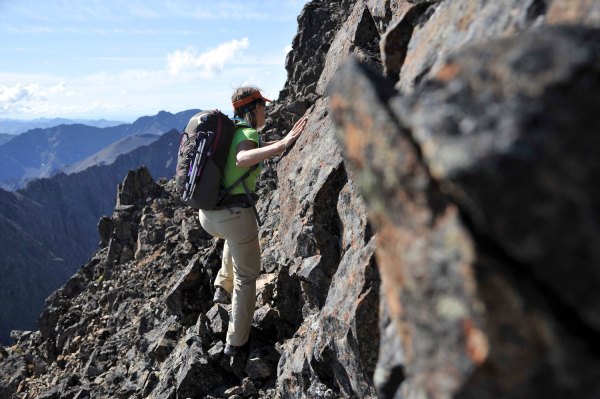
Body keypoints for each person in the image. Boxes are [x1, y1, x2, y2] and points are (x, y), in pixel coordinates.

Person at [198, 86, 307, 356]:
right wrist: (283, 145)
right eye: (263, 105)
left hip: (208, 216)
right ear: (253, 107)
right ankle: (237, 343)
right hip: (234, 216)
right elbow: (243, 157)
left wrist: (279, 141)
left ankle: (222, 286)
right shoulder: (247, 133)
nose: (266, 110)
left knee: (233, 240)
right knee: (247, 279)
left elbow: (246, 149)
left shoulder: (230, 132)